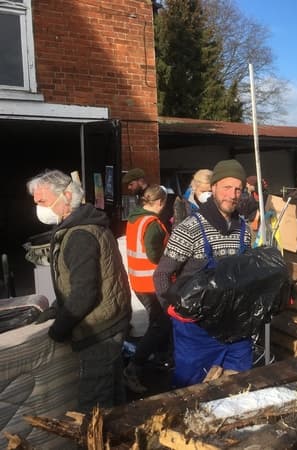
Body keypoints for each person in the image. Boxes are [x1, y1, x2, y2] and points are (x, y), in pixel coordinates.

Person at [27, 169, 131, 413]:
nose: (38, 209)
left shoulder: (80, 235)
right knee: (112, 394)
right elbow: (73, 282)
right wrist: (55, 309)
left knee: (94, 405)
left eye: (41, 201)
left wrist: (57, 330)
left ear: (65, 196)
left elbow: (84, 293)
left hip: (99, 329)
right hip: (110, 322)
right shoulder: (83, 225)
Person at [153, 159, 253, 388]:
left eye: (238, 189)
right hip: (197, 333)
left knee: (239, 388)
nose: (233, 194)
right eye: (227, 187)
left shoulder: (245, 230)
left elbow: (245, 273)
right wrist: (173, 312)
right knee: (191, 393)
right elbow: (161, 275)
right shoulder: (190, 228)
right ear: (214, 187)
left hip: (236, 328)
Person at [124, 184, 171, 394]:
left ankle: (161, 359)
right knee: (161, 324)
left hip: (138, 281)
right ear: (160, 203)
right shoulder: (152, 223)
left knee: (157, 323)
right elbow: (154, 255)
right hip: (152, 283)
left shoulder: (134, 219)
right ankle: (135, 367)